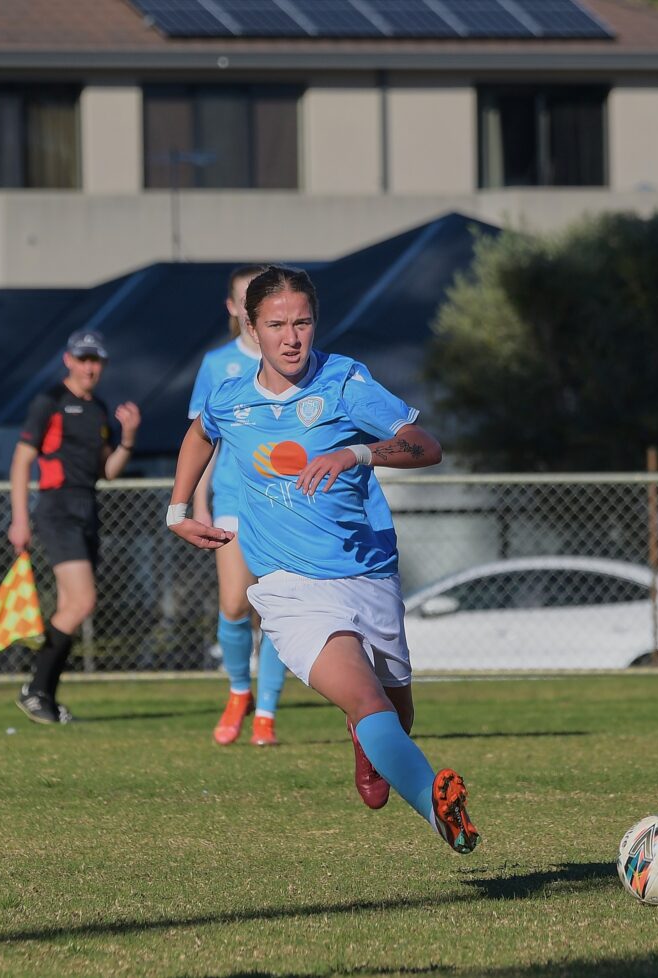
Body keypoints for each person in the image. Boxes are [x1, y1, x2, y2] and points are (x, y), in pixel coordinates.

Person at [166, 265, 478, 854]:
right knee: (364, 699)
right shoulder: (230, 397)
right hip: (290, 587)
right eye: (277, 324)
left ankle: (372, 745)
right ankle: (438, 809)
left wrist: (356, 452)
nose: (291, 337)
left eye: (302, 322)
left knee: (393, 710)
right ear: (252, 328)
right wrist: (178, 509)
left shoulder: (344, 381)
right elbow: (200, 433)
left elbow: (427, 446)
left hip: (369, 574)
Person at [9, 329, 141, 724]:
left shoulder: (99, 409)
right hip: (56, 508)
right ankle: (35, 689)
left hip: (87, 508)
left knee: (71, 606)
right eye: (82, 359)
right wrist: (19, 517)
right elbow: (21, 461)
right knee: (83, 601)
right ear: (68, 360)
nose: (89, 367)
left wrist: (129, 438)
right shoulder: (49, 401)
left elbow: (108, 471)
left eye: (95, 360)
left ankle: (42, 695)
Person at [188, 265, 287, 747]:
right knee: (233, 602)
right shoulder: (216, 364)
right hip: (231, 497)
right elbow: (201, 440)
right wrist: (197, 503)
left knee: (273, 610)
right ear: (233, 308)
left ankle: (266, 712)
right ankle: (237, 691)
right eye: (245, 299)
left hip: (282, 501)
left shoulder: (292, 359)